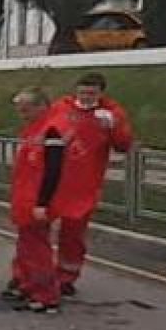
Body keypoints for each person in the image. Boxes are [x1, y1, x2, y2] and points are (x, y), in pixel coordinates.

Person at [49, 72, 133, 296]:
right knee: (34, 229)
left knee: (72, 234)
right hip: (52, 180)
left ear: (100, 93)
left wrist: (113, 127)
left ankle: (66, 277)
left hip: (83, 185)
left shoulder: (111, 114)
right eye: (82, 92)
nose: (86, 97)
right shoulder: (61, 107)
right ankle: (31, 273)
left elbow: (123, 145)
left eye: (91, 93)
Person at [4, 87, 67, 314]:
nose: (23, 115)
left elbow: (53, 170)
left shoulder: (52, 131)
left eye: (26, 110)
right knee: (26, 247)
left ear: (41, 106)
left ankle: (47, 295)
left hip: (37, 202)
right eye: (20, 111)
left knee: (38, 251)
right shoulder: (34, 129)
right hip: (25, 199)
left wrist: (42, 203)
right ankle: (29, 286)